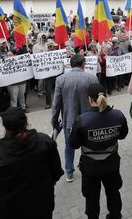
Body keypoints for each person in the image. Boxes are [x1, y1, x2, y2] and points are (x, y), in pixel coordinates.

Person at [0, 107, 64, 219]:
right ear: (26, 122)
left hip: (8, 212)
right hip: (42, 206)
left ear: (5, 127)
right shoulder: (45, 142)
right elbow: (56, 173)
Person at [69, 84, 128, 219]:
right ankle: (115, 216)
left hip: (90, 168)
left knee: (91, 198)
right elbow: (123, 135)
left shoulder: (81, 120)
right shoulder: (118, 115)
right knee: (113, 193)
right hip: (112, 165)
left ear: (90, 99)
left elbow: (74, 144)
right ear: (105, 96)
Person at [51, 54, 99, 182]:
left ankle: (69, 172)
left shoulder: (61, 79)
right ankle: (89, 167)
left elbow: (56, 104)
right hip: (89, 120)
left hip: (69, 120)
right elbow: (99, 100)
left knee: (69, 146)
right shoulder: (92, 78)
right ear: (83, 64)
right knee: (88, 145)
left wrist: (54, 121)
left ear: (71, 65)